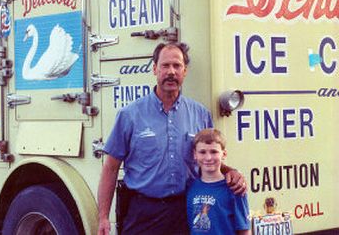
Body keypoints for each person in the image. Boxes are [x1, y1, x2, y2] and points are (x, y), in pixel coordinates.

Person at [97, 42, 246, 235]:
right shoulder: (130, 115)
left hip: (186, 209)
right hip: (144, 212)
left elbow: (208, 157)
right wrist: (103, 217)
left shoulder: (200, 114)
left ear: (185, 71)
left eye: (177, 66)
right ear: (154, 69)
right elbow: (110, 167)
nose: (171, 72)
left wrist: (231, 171)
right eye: (165, 66)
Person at [187, 129, 251, 235]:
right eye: (202, 152)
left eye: (214, 152)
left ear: (224, 154)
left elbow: (244, 230)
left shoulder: (235, 188)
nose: (208, 157)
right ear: (195, 154)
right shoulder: (191, 187)